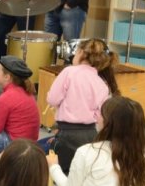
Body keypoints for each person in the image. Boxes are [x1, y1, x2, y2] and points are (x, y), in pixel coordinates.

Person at [40, 39, 117, 173]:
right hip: (90, 135)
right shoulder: (102, 84)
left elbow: (52, 100)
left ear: (81, 53)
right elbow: (100, 116)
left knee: (54, 167)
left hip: (66, 135)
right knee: (78, 171)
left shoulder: (69, 72)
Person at [0, 56, 40, 152]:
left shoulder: (6, 97)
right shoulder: (21, 89)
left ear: (7, 77)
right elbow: (6, 112)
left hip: (14, 144)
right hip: (27, 142)